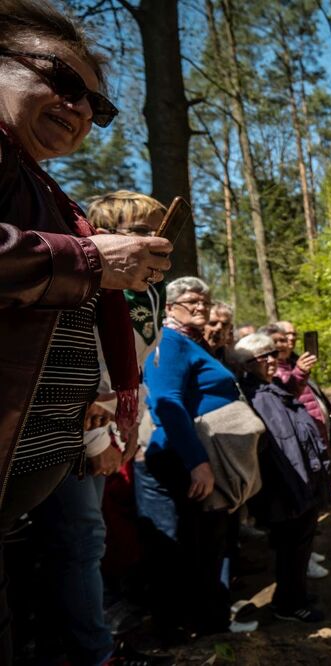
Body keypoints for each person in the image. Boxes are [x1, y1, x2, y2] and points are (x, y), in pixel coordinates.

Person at [0, 2, 171, 661]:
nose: (78, 111)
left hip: (58, 450)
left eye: (95, 107)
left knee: (75, 552)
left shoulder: (45, 191)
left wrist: (101, 411)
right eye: (62, 83)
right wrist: (94, 259)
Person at [28, 191, 172, 666]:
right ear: (105, 237)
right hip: (70, 429)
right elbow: (79, 368)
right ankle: (93, 654)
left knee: (89, 539)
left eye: (160, 230)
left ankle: (85, 641)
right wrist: (97, 438)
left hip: (115, 426)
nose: (155, 241)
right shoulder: (87, 283)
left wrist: (133, 426)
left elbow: (135, 367)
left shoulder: (150, 289)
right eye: (142, 232)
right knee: (80, 538)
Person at [143, 277, 256, 637]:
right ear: (170, 306)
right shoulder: (169, 342)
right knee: (196, 544)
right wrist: (197, 462)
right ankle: (200, 626)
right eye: (191, 300)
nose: (200, 306)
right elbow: (166, 402)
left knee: (209, 540)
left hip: (196, 455)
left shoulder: (189, 342)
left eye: (204, 301)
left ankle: (211, 619)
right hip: (181, 458)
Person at [234, 333, 329, 622]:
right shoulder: (257, 396)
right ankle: (289, 604)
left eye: (274, 354)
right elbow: (277, 447)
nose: (274, 359)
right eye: (266, 357)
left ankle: (294, 593)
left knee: (298, 545)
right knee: (291, 546)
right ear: (249, 364)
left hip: (296, 483)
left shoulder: (270, 387)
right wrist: (298, 488)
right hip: (285, 487)